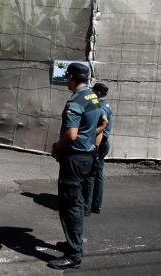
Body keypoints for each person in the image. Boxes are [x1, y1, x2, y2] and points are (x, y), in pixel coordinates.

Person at [48, 63, 106, 270]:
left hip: (74, 158)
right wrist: (90, 138)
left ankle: (73, 255)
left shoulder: (76, 100)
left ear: (70, 76)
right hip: (87, 156)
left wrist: (56, 147)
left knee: (69, 205)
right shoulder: (92, 96)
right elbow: (103, 122)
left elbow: (71, 135)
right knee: (78, 202)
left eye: (67, 76)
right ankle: (74, 243)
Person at [83, 83, 112, 215]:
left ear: (99, 93)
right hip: (102, 143)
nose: (91, 92)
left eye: (93, 90)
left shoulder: (100, 106)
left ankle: (87, 206)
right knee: (97, 173)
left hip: (99, 142)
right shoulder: (105, 105)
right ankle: (95, 205)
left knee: (91, 174)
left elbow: (102, 124)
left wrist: (94, 144)